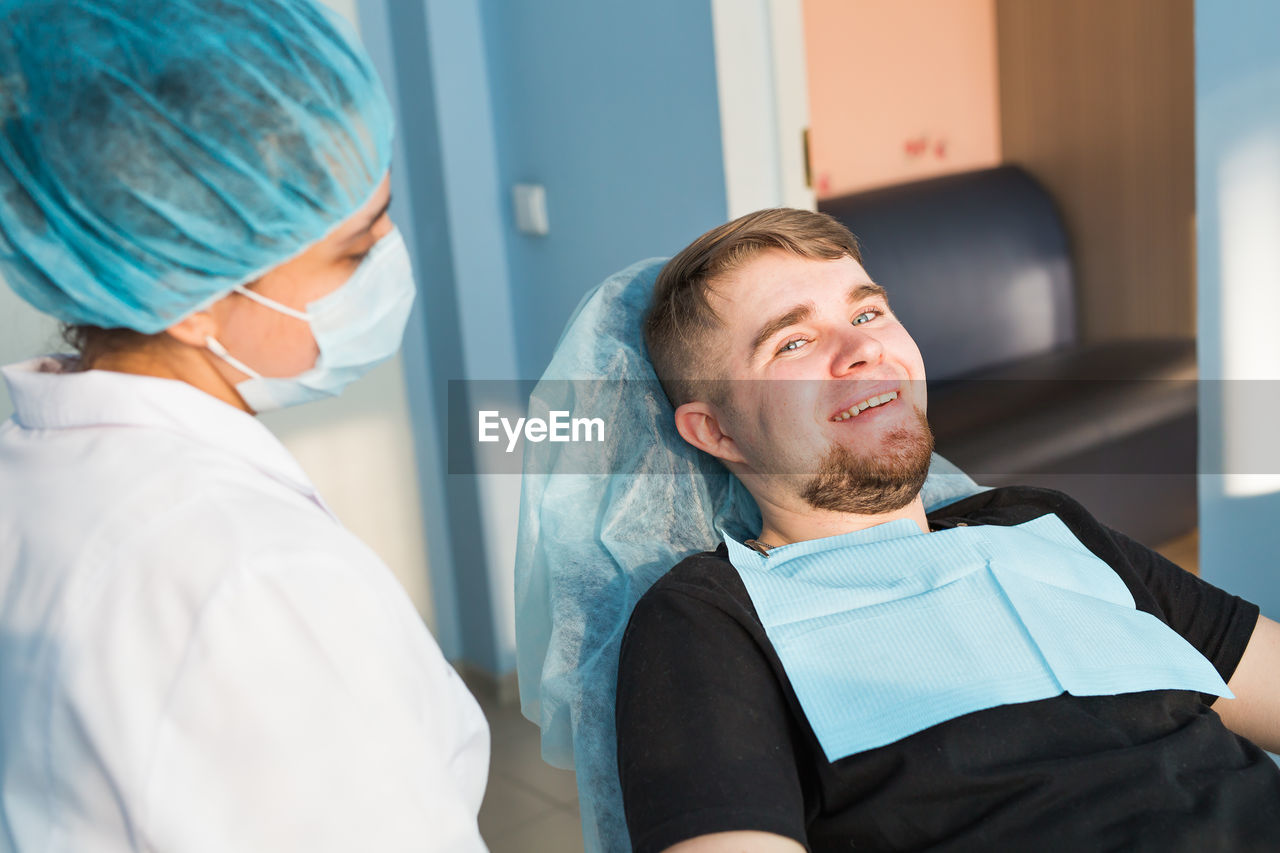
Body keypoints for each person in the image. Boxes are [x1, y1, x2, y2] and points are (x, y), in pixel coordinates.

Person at [615, 208, 1280, 853]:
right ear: (715, 430)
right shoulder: (709, 618)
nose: (863, 348)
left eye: (868, 312)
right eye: (793, 341)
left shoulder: (1041, 520)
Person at [0, 1, 487, 850]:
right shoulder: (251, 578)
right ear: (189, 297)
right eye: (353, 247)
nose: (389, 261)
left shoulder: (39, 467)